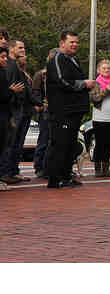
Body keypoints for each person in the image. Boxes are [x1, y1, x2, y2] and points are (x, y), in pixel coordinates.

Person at [46, 31, 96, 188]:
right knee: (60, 144)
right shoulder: (57, 59)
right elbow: (62, 81)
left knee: (70, 145)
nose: (75, 45)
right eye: (71, 42)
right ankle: (55, 179)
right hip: (62, 110)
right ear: (62, 43)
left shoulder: (74, 59)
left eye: (76, 42)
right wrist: (83, 84)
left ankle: (66, 175)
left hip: (75, 110)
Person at [0, 40, 41, 184]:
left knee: (17, 143)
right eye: (20, 48)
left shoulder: (15, 66)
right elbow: (11, 89)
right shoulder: (10, 66)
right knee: (10, 143)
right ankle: (6, 172)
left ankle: (12, 171)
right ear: (11, 49)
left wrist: (39, 103)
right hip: (14, 111)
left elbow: (25, 90)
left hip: (21, 110)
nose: (23, 50)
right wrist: (12, 111)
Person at [90, 59, 110, 177]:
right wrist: (105, 91)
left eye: (108, 68)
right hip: (99, 117)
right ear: (99, 70)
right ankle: (98, 168)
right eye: (104, 68)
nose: (106, 70)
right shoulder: (96, 83)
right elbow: (94, 99)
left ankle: (106, 167)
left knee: (108, 144)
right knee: (100, 143)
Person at [31, 48, 59, 179]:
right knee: (44, 139)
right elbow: (35, 92)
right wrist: (40, 105)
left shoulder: (60, 74)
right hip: (45, 111)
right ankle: (39, 167)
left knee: (55, 140)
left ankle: (52, 166)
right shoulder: (41, 74)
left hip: (58, 110)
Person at [0, 46, 24, 191]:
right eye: (2, 57)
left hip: (4, 113)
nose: (4, 60)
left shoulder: (3, 72)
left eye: (5, 57)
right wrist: (11, 91)